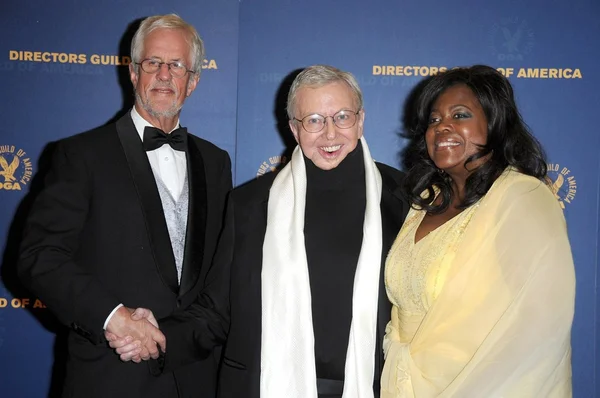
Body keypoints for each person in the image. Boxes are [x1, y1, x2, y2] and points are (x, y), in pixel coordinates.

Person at [110, 64, 409, 397]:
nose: (329, 133)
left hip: (380, 388)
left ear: (361, 119)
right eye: (313, 120)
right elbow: (216, 312)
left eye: (342, 116)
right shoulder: (250, 205)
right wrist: (160, 336)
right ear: (294, 130)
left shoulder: (406, 199)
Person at [18, 14, 232, 398]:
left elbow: (219, 279)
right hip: (109, 377)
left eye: (177, 65)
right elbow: (40, 256)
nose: (164, 75)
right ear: (133, 73)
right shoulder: (80, 155)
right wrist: (112, 317)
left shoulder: (216, 163)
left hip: (196, 379)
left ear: (194, 81)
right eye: (153, 63)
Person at [380, 65, 575, 397]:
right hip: (404, 385)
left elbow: (537, 329)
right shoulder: (423, 201)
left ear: (494, 123)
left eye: (460, 115)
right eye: (434, 120)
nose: (443, 127)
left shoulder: (523, 199)